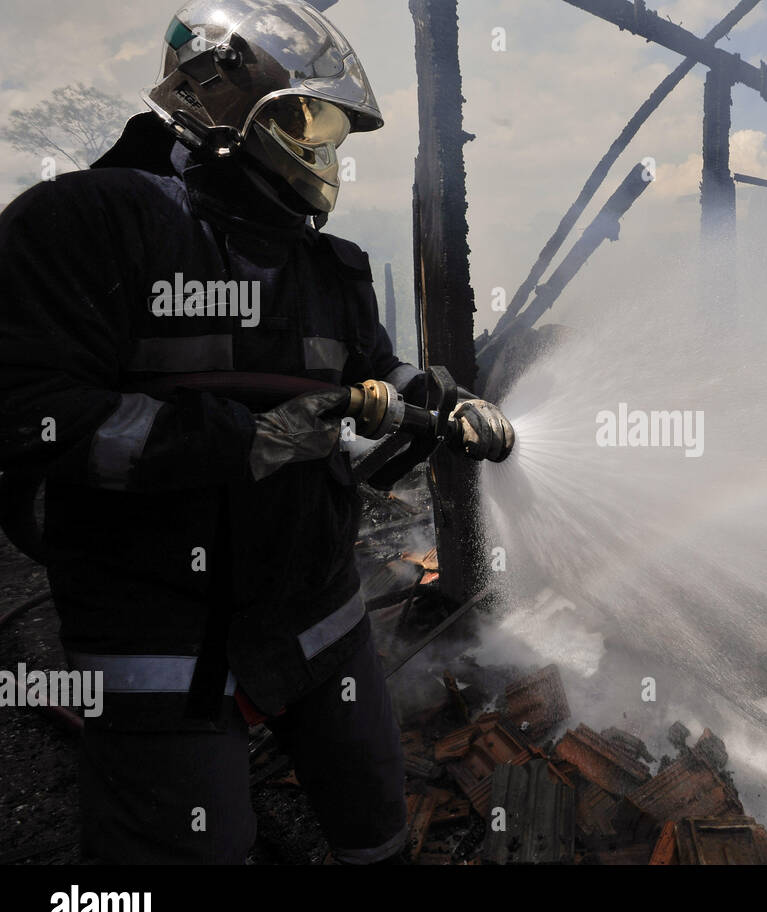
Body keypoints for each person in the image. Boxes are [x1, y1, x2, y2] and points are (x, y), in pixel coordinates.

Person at [0, 0, 510, 863]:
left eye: (333, 136)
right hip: (156, 637)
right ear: (221, 85)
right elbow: (29, 419)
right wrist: (243, 441)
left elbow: (371, 383)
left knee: (378, 828)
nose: (324, 152)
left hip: (319, 615)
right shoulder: (86, 224)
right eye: (312, 120)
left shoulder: (326, 266)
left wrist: (443, 402)